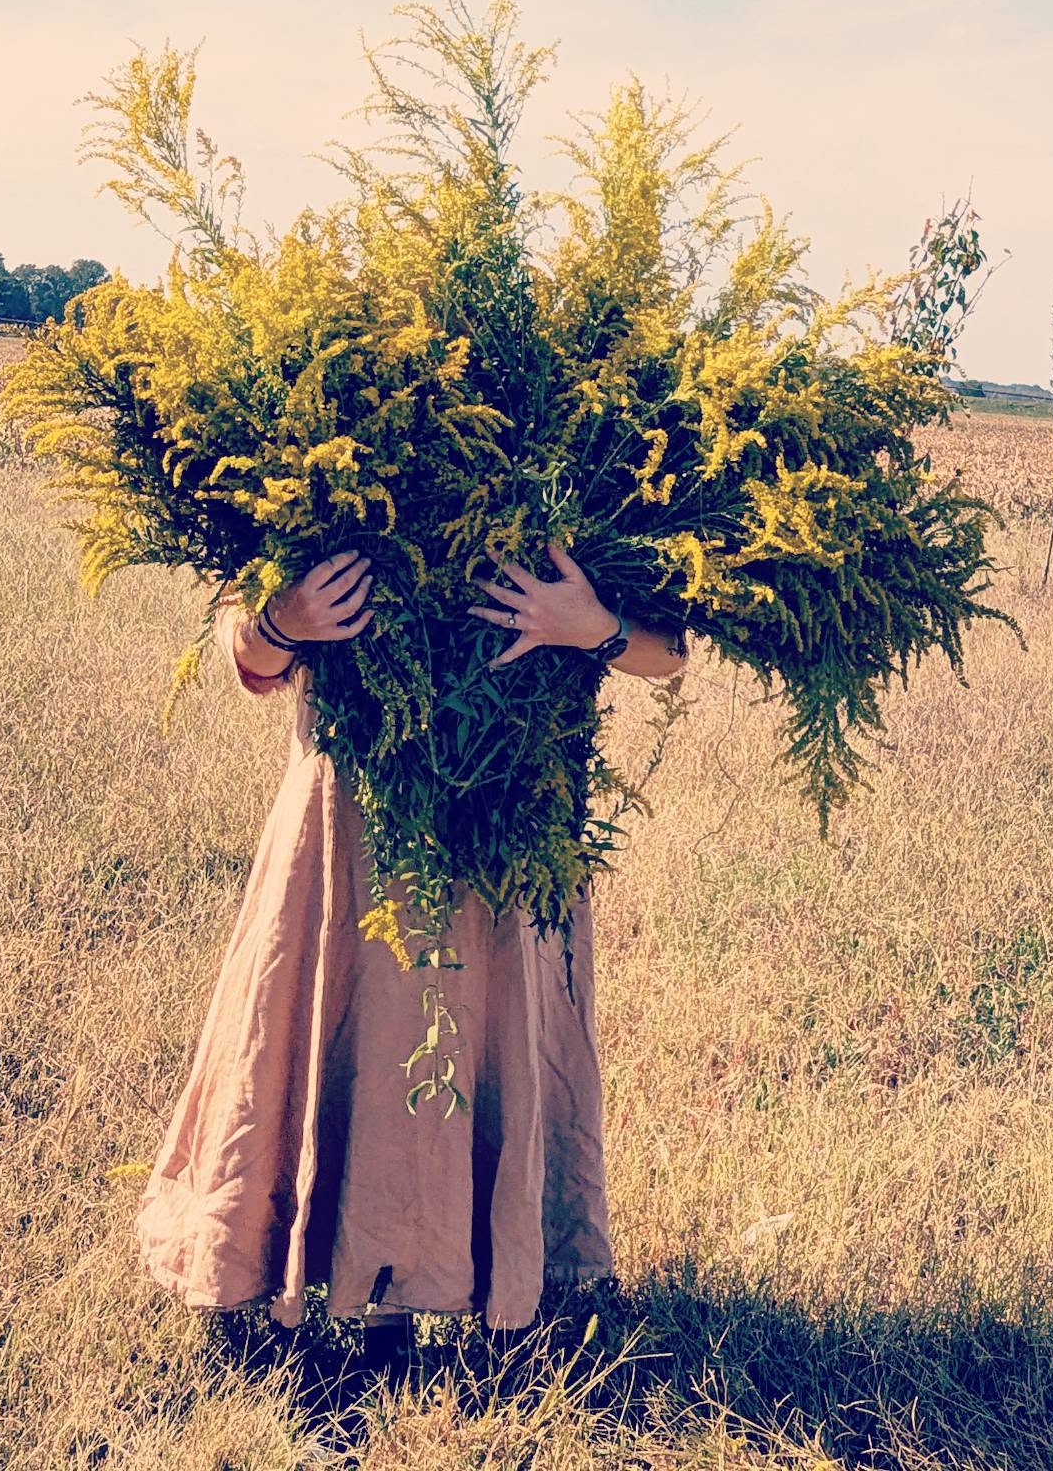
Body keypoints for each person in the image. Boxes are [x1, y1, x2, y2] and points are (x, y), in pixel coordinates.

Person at [133, 543, 687, 1376]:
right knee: (354, 1025)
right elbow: (245, 647)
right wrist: (284, 622)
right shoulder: (332, 432)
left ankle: (486, 1279)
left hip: (513, 820)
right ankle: (343, 1286)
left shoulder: (599, 428)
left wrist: (592, 626)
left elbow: (671, 649)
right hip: (352, 816)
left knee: (486, 1035)